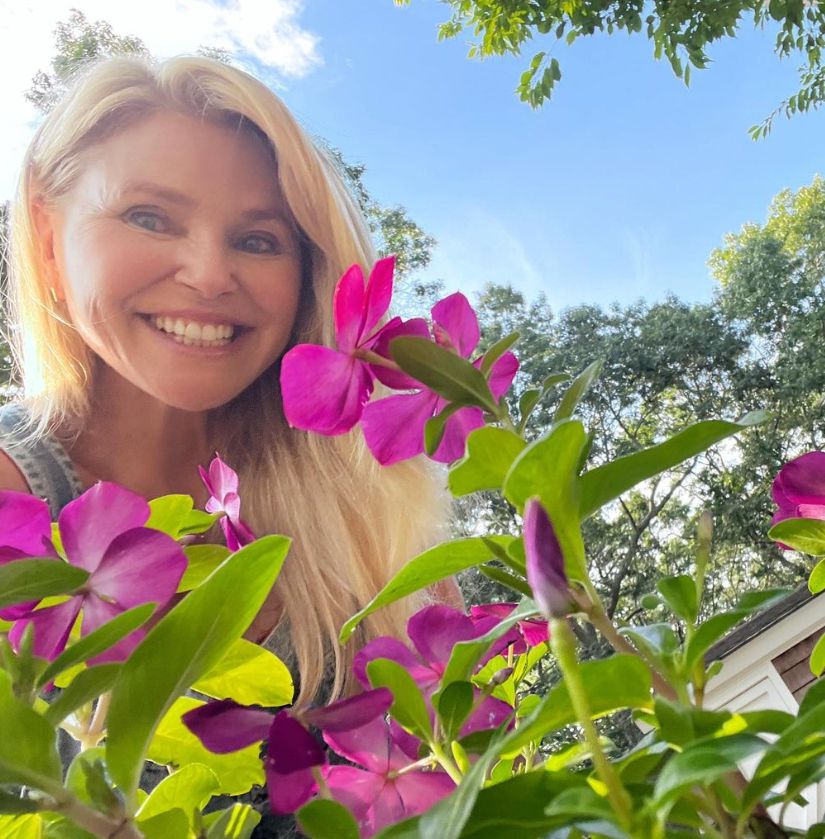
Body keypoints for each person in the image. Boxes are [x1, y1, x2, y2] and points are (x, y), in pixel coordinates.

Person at [0, 54, 450, 708]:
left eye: (260, 239)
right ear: (47, 239)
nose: (210, 275)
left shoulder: (367, 514)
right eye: (149, 217)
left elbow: (471, 771)